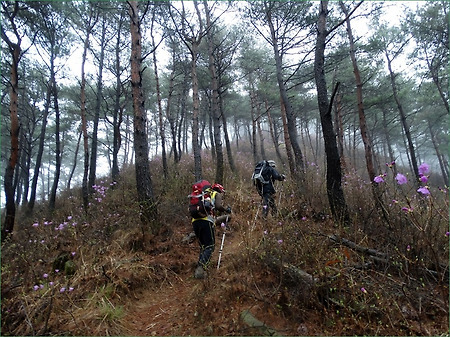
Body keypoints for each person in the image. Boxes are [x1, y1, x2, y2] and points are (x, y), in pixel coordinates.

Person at [192, 183, 231, 279]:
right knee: (210, 246)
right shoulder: (215, 194)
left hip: (195, 222)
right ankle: (200, 269)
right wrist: (226, 210)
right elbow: (218, 206)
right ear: (220, 190)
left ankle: (200, 268)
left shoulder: (202, 194)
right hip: (206, 221)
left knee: (203, 246)